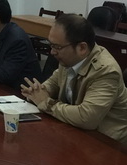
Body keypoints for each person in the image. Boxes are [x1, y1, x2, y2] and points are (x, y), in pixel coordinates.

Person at [21, 14, 127, 143]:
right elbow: (53, 83)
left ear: (82, 48)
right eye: (51, 45)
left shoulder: (105, 71)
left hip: (107, 143)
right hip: (76, 132)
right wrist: (37, 92)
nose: (52, 52)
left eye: (57, 47)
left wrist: (46, 103)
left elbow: (86, 118)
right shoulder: (69, 59)